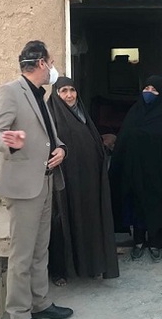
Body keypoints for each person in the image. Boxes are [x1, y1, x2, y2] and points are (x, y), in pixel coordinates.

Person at [0, 40, 73, 319]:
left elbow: (50, 136)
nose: (53, 68)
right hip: (23, 186)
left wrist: (61, 149)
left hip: (45, 180)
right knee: (22, 254)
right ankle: (20, 314)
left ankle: (40, 302)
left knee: (40, 249)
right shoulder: (10, 92)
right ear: (41, 63)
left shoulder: (40, 94)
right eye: (51, 62)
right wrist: (10, 141)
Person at [46, 76, 120, 285]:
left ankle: (89, 266)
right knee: (62, 223)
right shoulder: (51, 118)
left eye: (72, 90)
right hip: (64, 183)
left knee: (87, 222)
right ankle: (60, 271)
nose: (69, 95)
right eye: (64, 91)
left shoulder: (82, 115)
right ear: (56, 94)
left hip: (86, 183)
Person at [109, 75, 162, 262]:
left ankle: (155, 243)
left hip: (157, 170)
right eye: (146, 88)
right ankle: (138, 241)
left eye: (154, 90)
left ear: (161, 93)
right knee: (136, 205)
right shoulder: (135, 111)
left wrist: (140, 135)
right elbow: (125, 136)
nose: (149, 92)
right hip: (135, 169)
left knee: (156, 205)